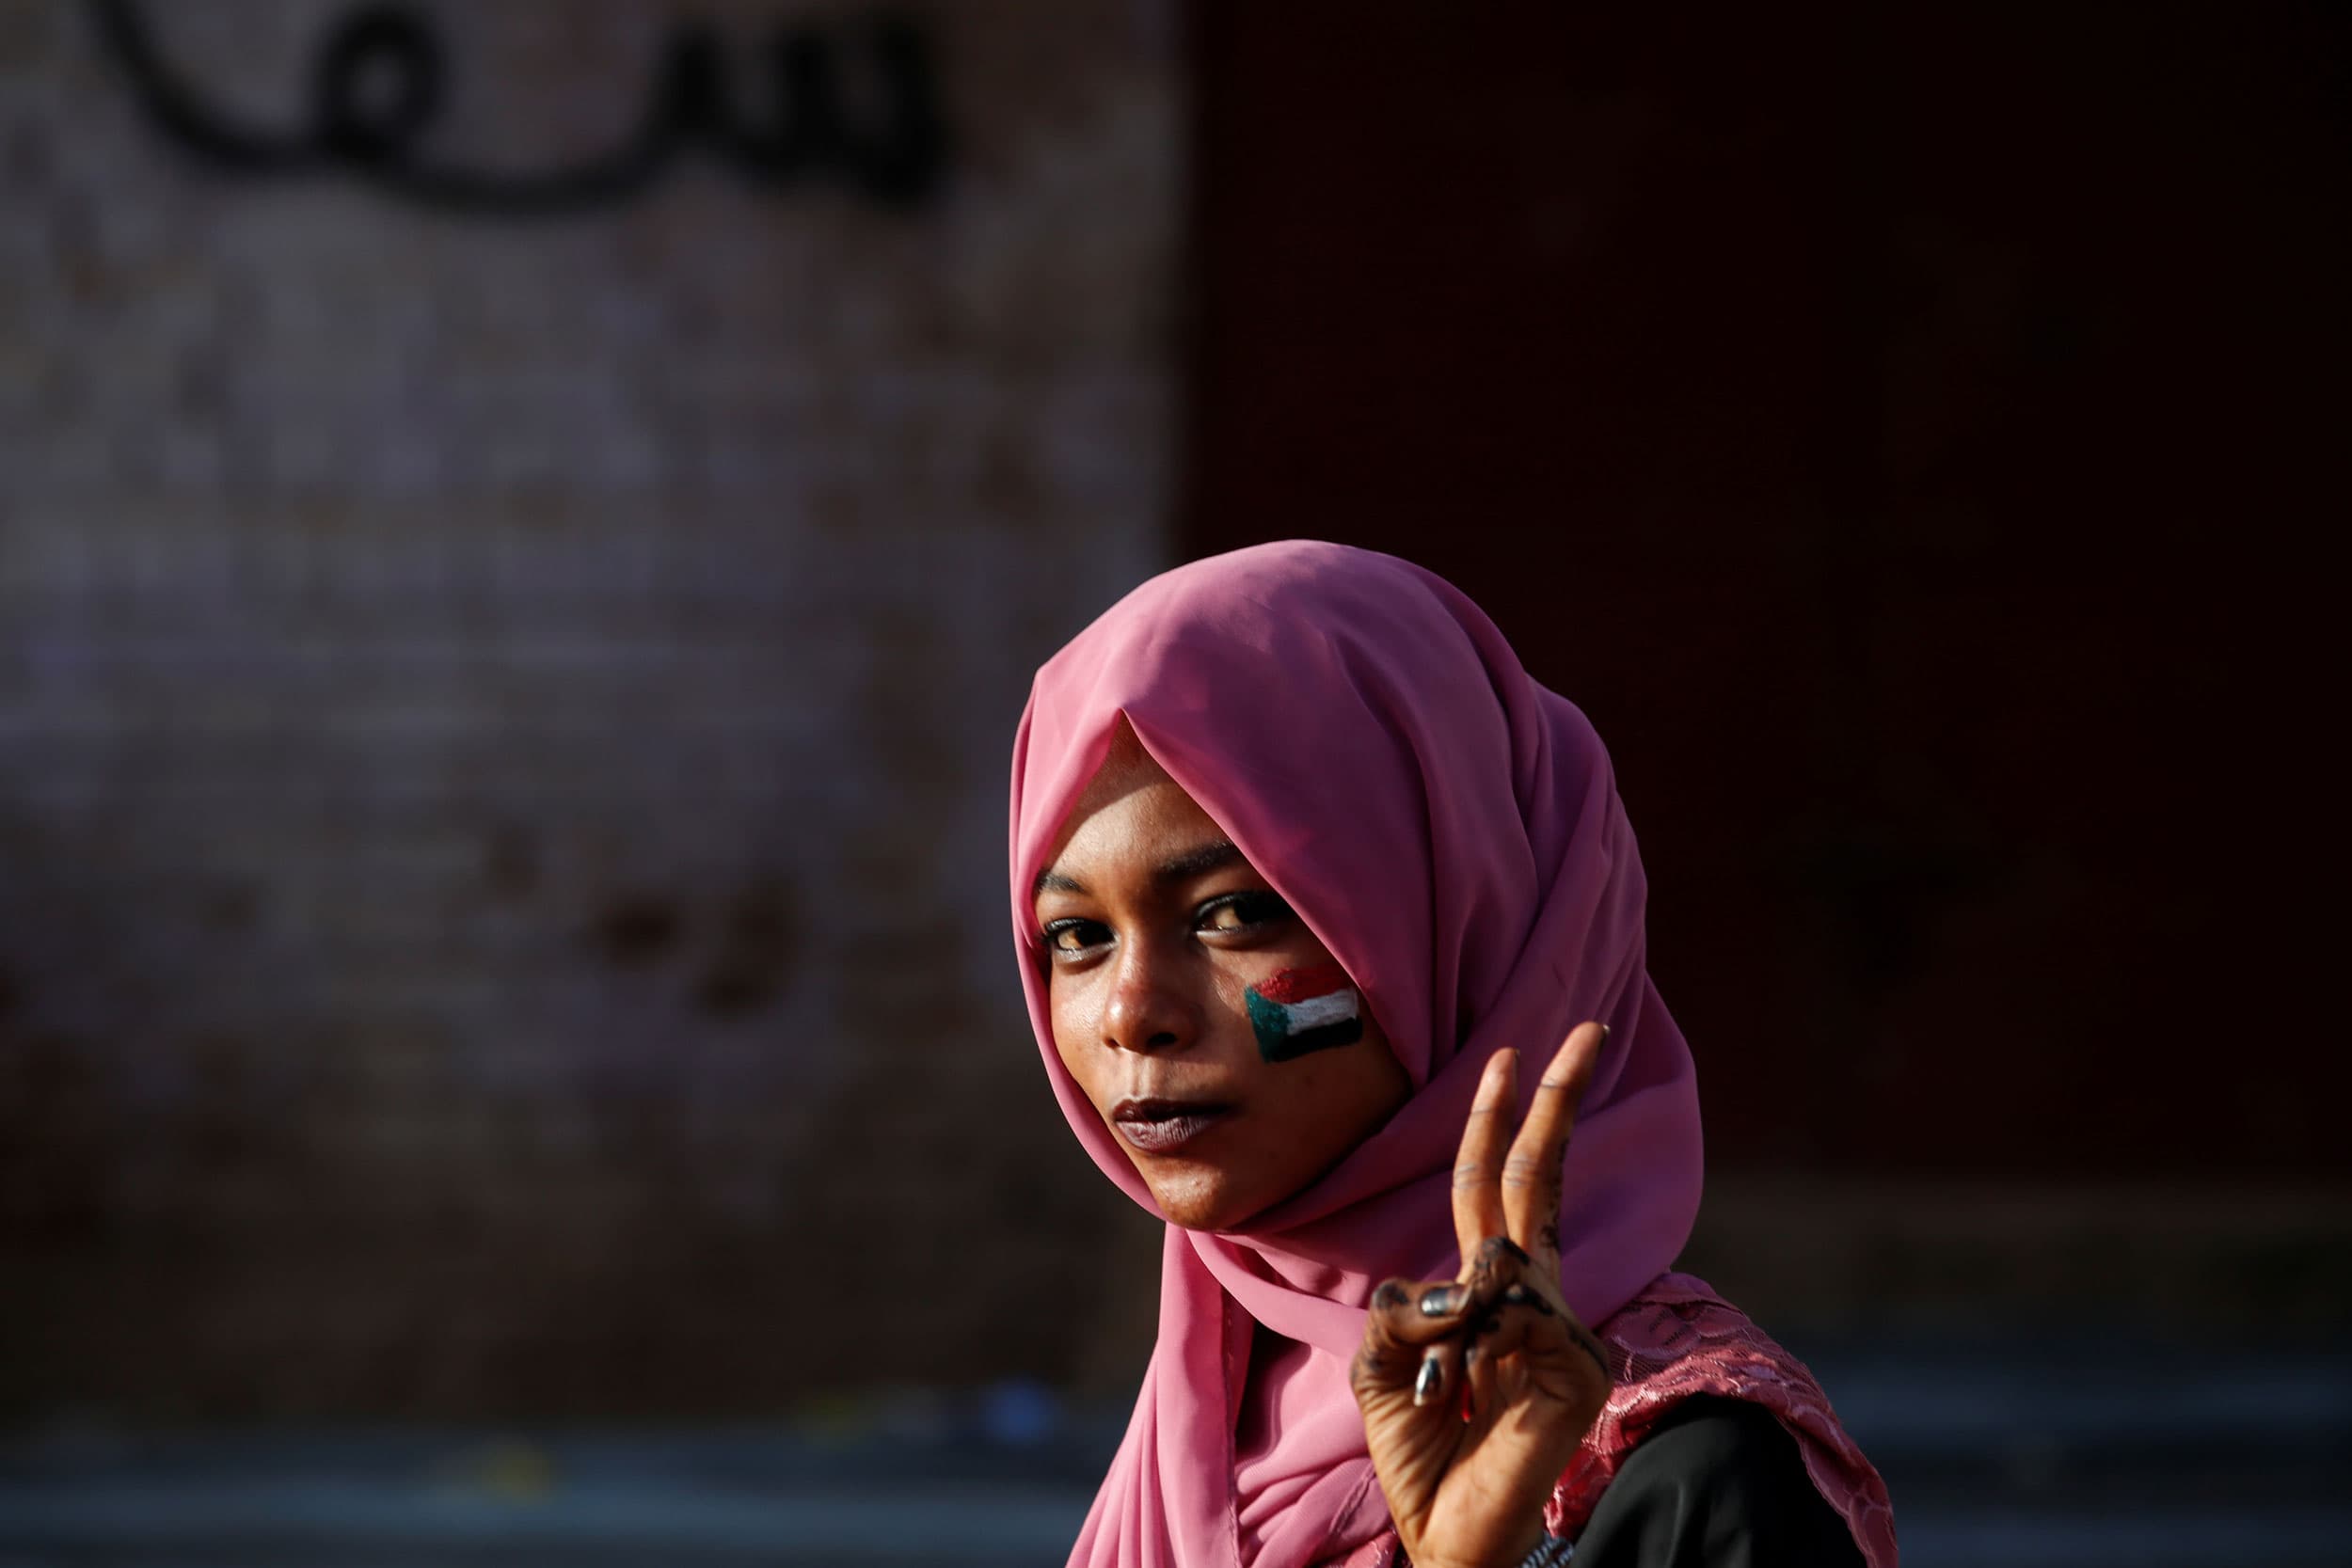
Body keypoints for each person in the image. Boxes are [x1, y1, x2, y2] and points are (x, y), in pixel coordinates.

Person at [1009, 542, 1898, 1568]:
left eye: (1235, 913)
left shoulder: (1695, 1480)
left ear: (1463, 925)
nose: (1129, 1013)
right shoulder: (1203, 1414)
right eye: (1077, 935)